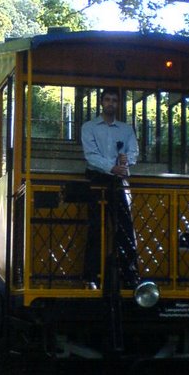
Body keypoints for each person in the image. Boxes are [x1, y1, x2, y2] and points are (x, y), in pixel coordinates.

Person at [80, 86, 139, 288]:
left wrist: (126, 161)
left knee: (125, 227)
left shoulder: (126, 129)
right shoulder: (89, 127)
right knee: (96, 226)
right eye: (107, 99)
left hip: (118, 182)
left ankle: (129, 273)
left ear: (118, 104)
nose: (110, 103)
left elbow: (133, 153)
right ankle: (91, 276)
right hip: (97, 180)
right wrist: (112, 167)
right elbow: (91, 156)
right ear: (101, 102)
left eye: (114, 100)